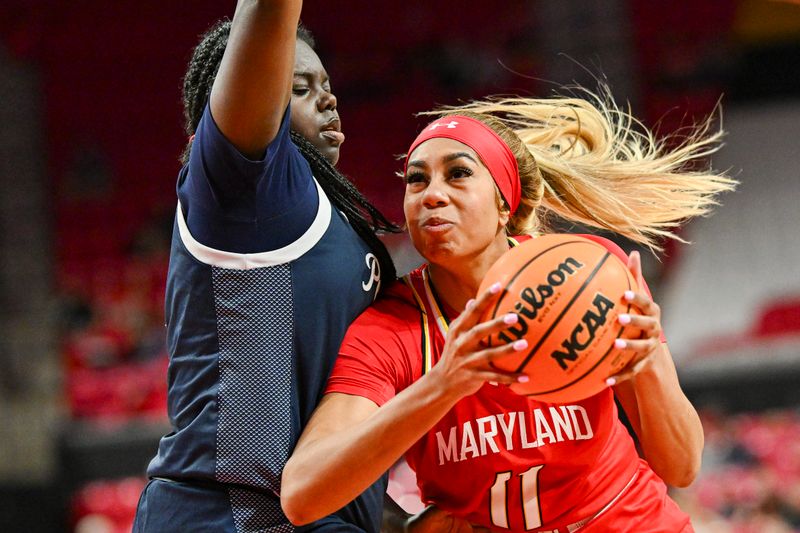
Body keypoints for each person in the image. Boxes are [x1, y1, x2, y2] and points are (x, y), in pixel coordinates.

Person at [280, 91, 737, 532]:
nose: (431, 194)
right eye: (416, 180)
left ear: (504, 202)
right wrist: (442, 384)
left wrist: (649, 362)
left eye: (457, 174)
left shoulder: (587, 272)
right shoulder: (391, 328)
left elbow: (681, 466)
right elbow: (302, 496)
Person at [132, 1, 400, 531]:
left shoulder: (332, 214)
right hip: (231, 515)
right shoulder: (247, 185)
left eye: (326, 84)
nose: (327, 98)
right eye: (299, 89)